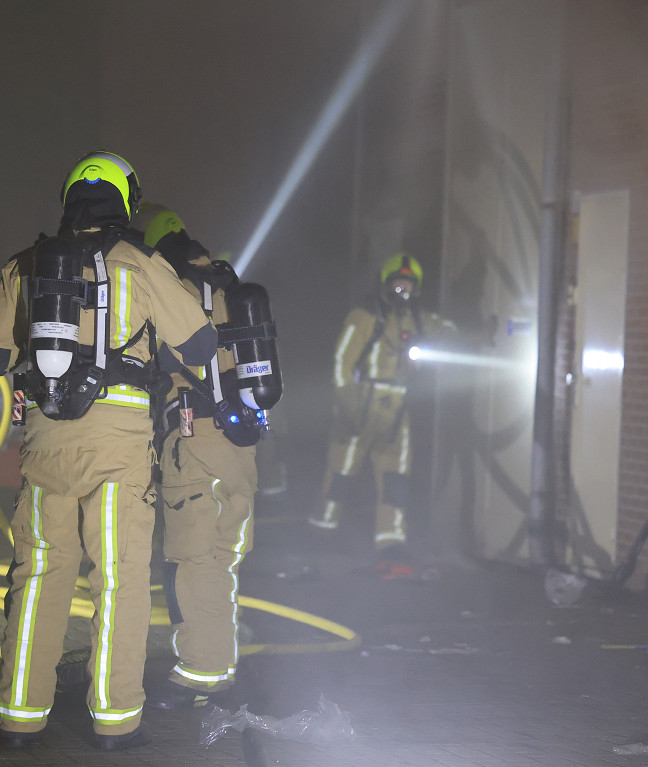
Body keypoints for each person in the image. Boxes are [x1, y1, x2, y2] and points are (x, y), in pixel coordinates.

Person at [0, 152, 216, 751]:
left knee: (39, 577)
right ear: (126, 200)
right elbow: (201, 344)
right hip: (119, 446)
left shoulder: (26, 265)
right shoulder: (139, 263)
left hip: (47, 443)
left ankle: (20, 718)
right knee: (120, 581)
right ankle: (114, 720)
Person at [129, 203, 271, 709]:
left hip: (196, 440)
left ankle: (202, 673)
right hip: (241, 443)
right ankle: (220, 666)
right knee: (222, 560)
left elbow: (151, 358)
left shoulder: (171, 290)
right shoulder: (230, 288)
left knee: (194, 560)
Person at [307, 252, 457, 578]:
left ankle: (391, 540)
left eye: (408, 284)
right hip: (361, 404)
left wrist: (475, 335)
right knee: (341, 473)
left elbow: (448, 332)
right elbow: (341, 363)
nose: (402, 290)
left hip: (398, 409)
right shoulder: (364, 317)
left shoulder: (417, 321)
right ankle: (322, 531)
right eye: (397, 283)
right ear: (385, 284)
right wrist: (348, 407)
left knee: (395, 478)